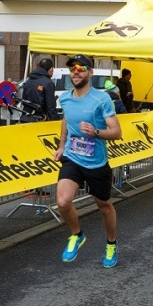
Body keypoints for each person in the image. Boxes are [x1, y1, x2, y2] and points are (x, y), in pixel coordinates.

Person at [53, 54, 122, 267]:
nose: (76, 71)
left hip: (97, 162)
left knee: (104, 207)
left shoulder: (101, 99)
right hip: (73, 158)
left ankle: (111, 243)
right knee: (63, 202)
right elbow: (66, 119)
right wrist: (62, 145)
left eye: (81, 67)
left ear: (90, 72)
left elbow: (117, 132)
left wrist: (96, 132)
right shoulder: (65, 97)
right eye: (72, 67)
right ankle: (77, 234)